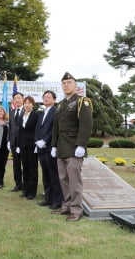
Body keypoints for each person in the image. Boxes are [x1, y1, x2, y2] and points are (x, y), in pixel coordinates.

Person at [51, 72, 93, 222]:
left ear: (76, 86)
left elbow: (86, 125)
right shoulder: (61, 104)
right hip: (62, 147)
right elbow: (55, 127)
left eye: (69, 82)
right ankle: (67, 206)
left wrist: (81, 144)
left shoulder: (82, 101)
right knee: (63, 178)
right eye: (64, 83)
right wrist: (53, 145)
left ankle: (76, 210)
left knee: (74, 180)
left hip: (75, 147)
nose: (66, 85)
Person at [34, 90, 63, 210]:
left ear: (54, 100)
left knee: (53, 175)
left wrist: (45, 140)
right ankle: (48, 198)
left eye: (48, 97)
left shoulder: (56, 111)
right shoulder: (42, 112)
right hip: (41, 148)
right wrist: (37, 141)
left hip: (50, 147)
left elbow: (54, 130)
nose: (46, 99)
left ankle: (57, 201)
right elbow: (37, 128)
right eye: (44, 97)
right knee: (45, 175)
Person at [18, 96, 39, 200]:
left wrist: (36, 144)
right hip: (23, 146)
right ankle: (25, 190)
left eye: (29, 103)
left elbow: (37, 131)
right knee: (25, 168)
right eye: (25, 103)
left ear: (32, 105)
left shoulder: (36, 116)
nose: (26, 105)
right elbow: (20, 132)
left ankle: (32, 192)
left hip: (32, 146)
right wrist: (19, 145)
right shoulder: (22, 115)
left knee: (33, 169)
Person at [7, 92, 24, 192]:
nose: (17, 100)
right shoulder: (12, 112)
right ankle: (18, 185)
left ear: (23, 99)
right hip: (13, 142)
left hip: (23, 143)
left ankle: (26, 185)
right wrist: (9, 140)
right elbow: (10, 127)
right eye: (15, 98)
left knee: (25, 165)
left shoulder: (26, 111)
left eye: (19, 98)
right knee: (16, 165)